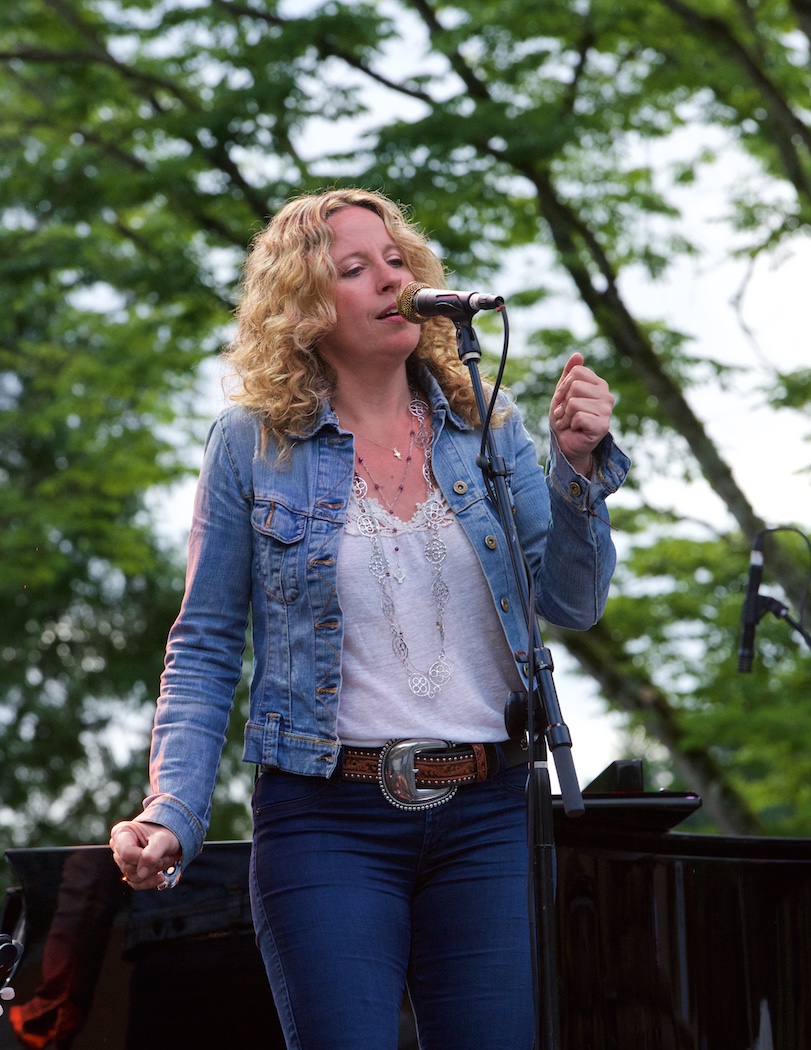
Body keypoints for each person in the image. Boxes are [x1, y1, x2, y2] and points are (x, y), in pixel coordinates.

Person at [110, 186, 630, 1050]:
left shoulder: (486, 428)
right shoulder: (252, 444)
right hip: (325, 818)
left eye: (397, 260)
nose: (389, 278)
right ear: (306, 306)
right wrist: (172, 809)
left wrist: (576, 471)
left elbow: (571, 602)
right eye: (355, 269)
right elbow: (203, 647)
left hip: (491, 813)